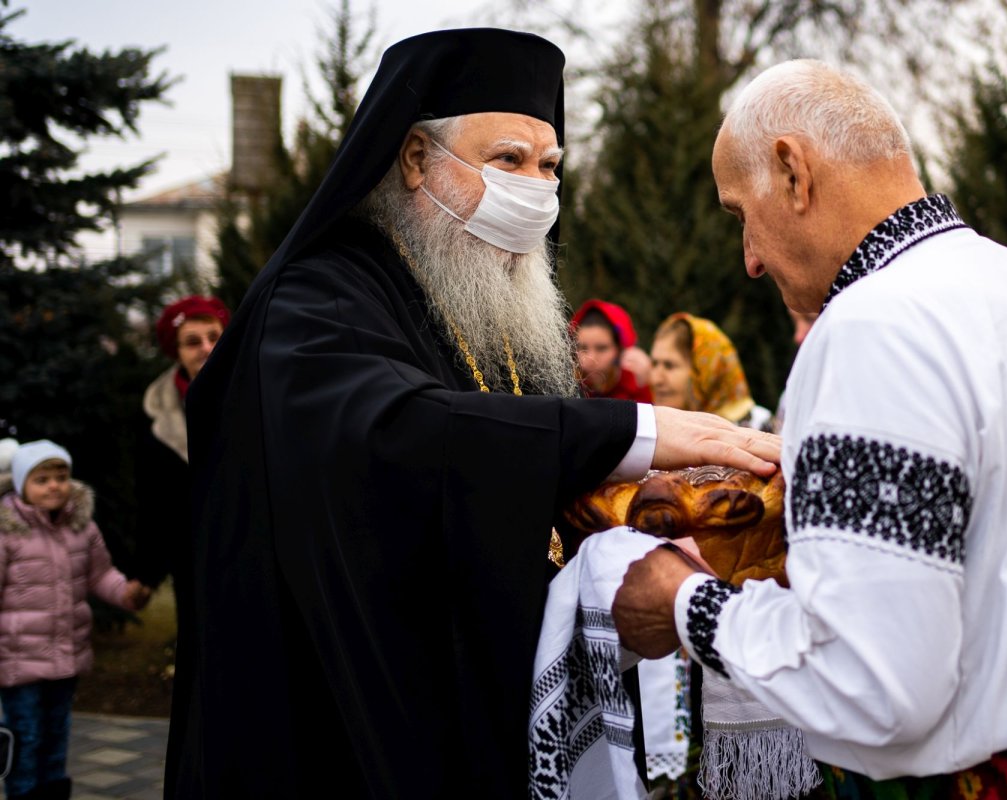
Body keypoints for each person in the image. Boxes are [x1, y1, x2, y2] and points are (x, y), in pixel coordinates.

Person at [167, 29, 779, 799]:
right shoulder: (318, 294)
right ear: (415, 161)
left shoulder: (490, 307)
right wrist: (634, 431)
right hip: (332, 725)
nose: (537, 188)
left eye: (550, 166)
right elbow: (392, 436)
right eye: (508, 161)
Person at [614, 59, 1007, 795]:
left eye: (741, 215)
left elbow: (875, 684)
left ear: (792, 172)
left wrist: (685, 601)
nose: (748, 260)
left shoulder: (875, 327)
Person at [0, 440, 147, 800]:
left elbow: (100, 575)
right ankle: (23, 793)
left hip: (66, 658)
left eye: (61, 477)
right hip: (18, 662)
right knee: (26, 736)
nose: (54, 486)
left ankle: (52, 792)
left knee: (56, 735)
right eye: (43, 479)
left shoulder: (82, 528)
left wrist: (126, 594)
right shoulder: (7, 533)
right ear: (22, 485)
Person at [131, 296, 229, 605]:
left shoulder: (260, 393)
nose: (206, 348)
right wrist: (147, 573)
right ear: (177, 351)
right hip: (190, 558)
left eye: (214, 337)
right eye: (192, 341)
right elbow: (153, 502)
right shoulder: (156, 414)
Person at [650, 312, 773, 431]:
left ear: (707, 370)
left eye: (669, 366)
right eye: (654, 364)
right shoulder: (656, 430)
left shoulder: (757, 428)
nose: (656, 379)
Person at [570, 299, 653, 402]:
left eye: (601, 348)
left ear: (620, 349)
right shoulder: (568, 388)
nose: (591, 358)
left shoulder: (639, 389)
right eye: (583, 348)